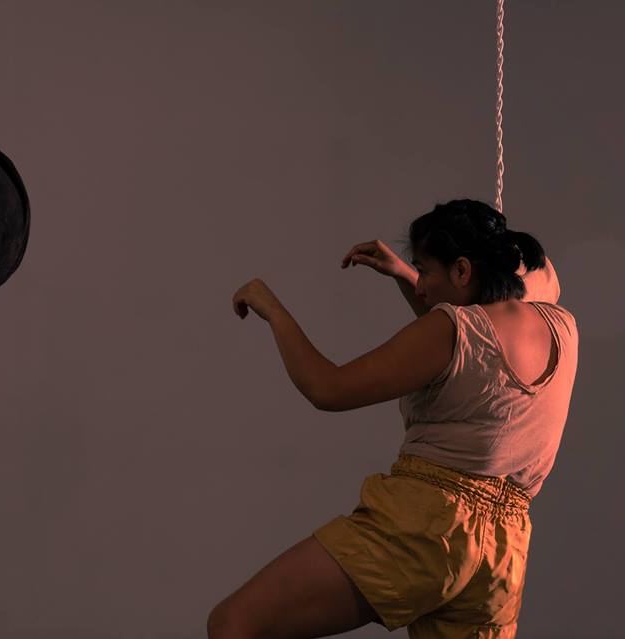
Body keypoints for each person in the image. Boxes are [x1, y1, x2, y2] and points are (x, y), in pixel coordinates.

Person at [212, 199, 579, 639]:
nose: (420, 287)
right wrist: (405, 273)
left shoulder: (450, 329)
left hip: (426, 526)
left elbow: (327, 388)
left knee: (234, 623)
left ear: (463, 270)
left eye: (425, 271)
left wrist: (272, 309)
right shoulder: (559, 322)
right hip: (503, 555)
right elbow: (473, 351)